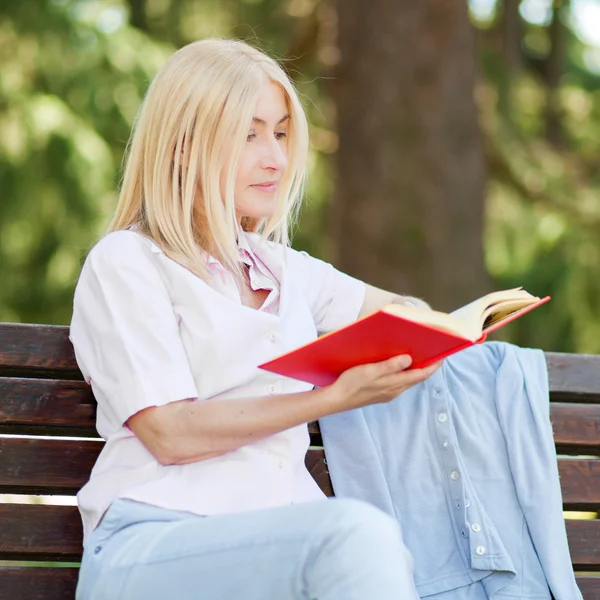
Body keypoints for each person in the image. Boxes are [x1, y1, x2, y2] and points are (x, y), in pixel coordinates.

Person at [70, 38, 441, 600]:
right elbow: (169, 433)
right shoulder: (126, 263)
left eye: (281, 132)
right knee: (356, 536)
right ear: (181, 147)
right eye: (248, 134)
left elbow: (403, 313)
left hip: (275, 547)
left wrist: (429, 323)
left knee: (369, 544)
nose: (275, 157)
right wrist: (334, 397)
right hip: (152, 543)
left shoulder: (283, 268)